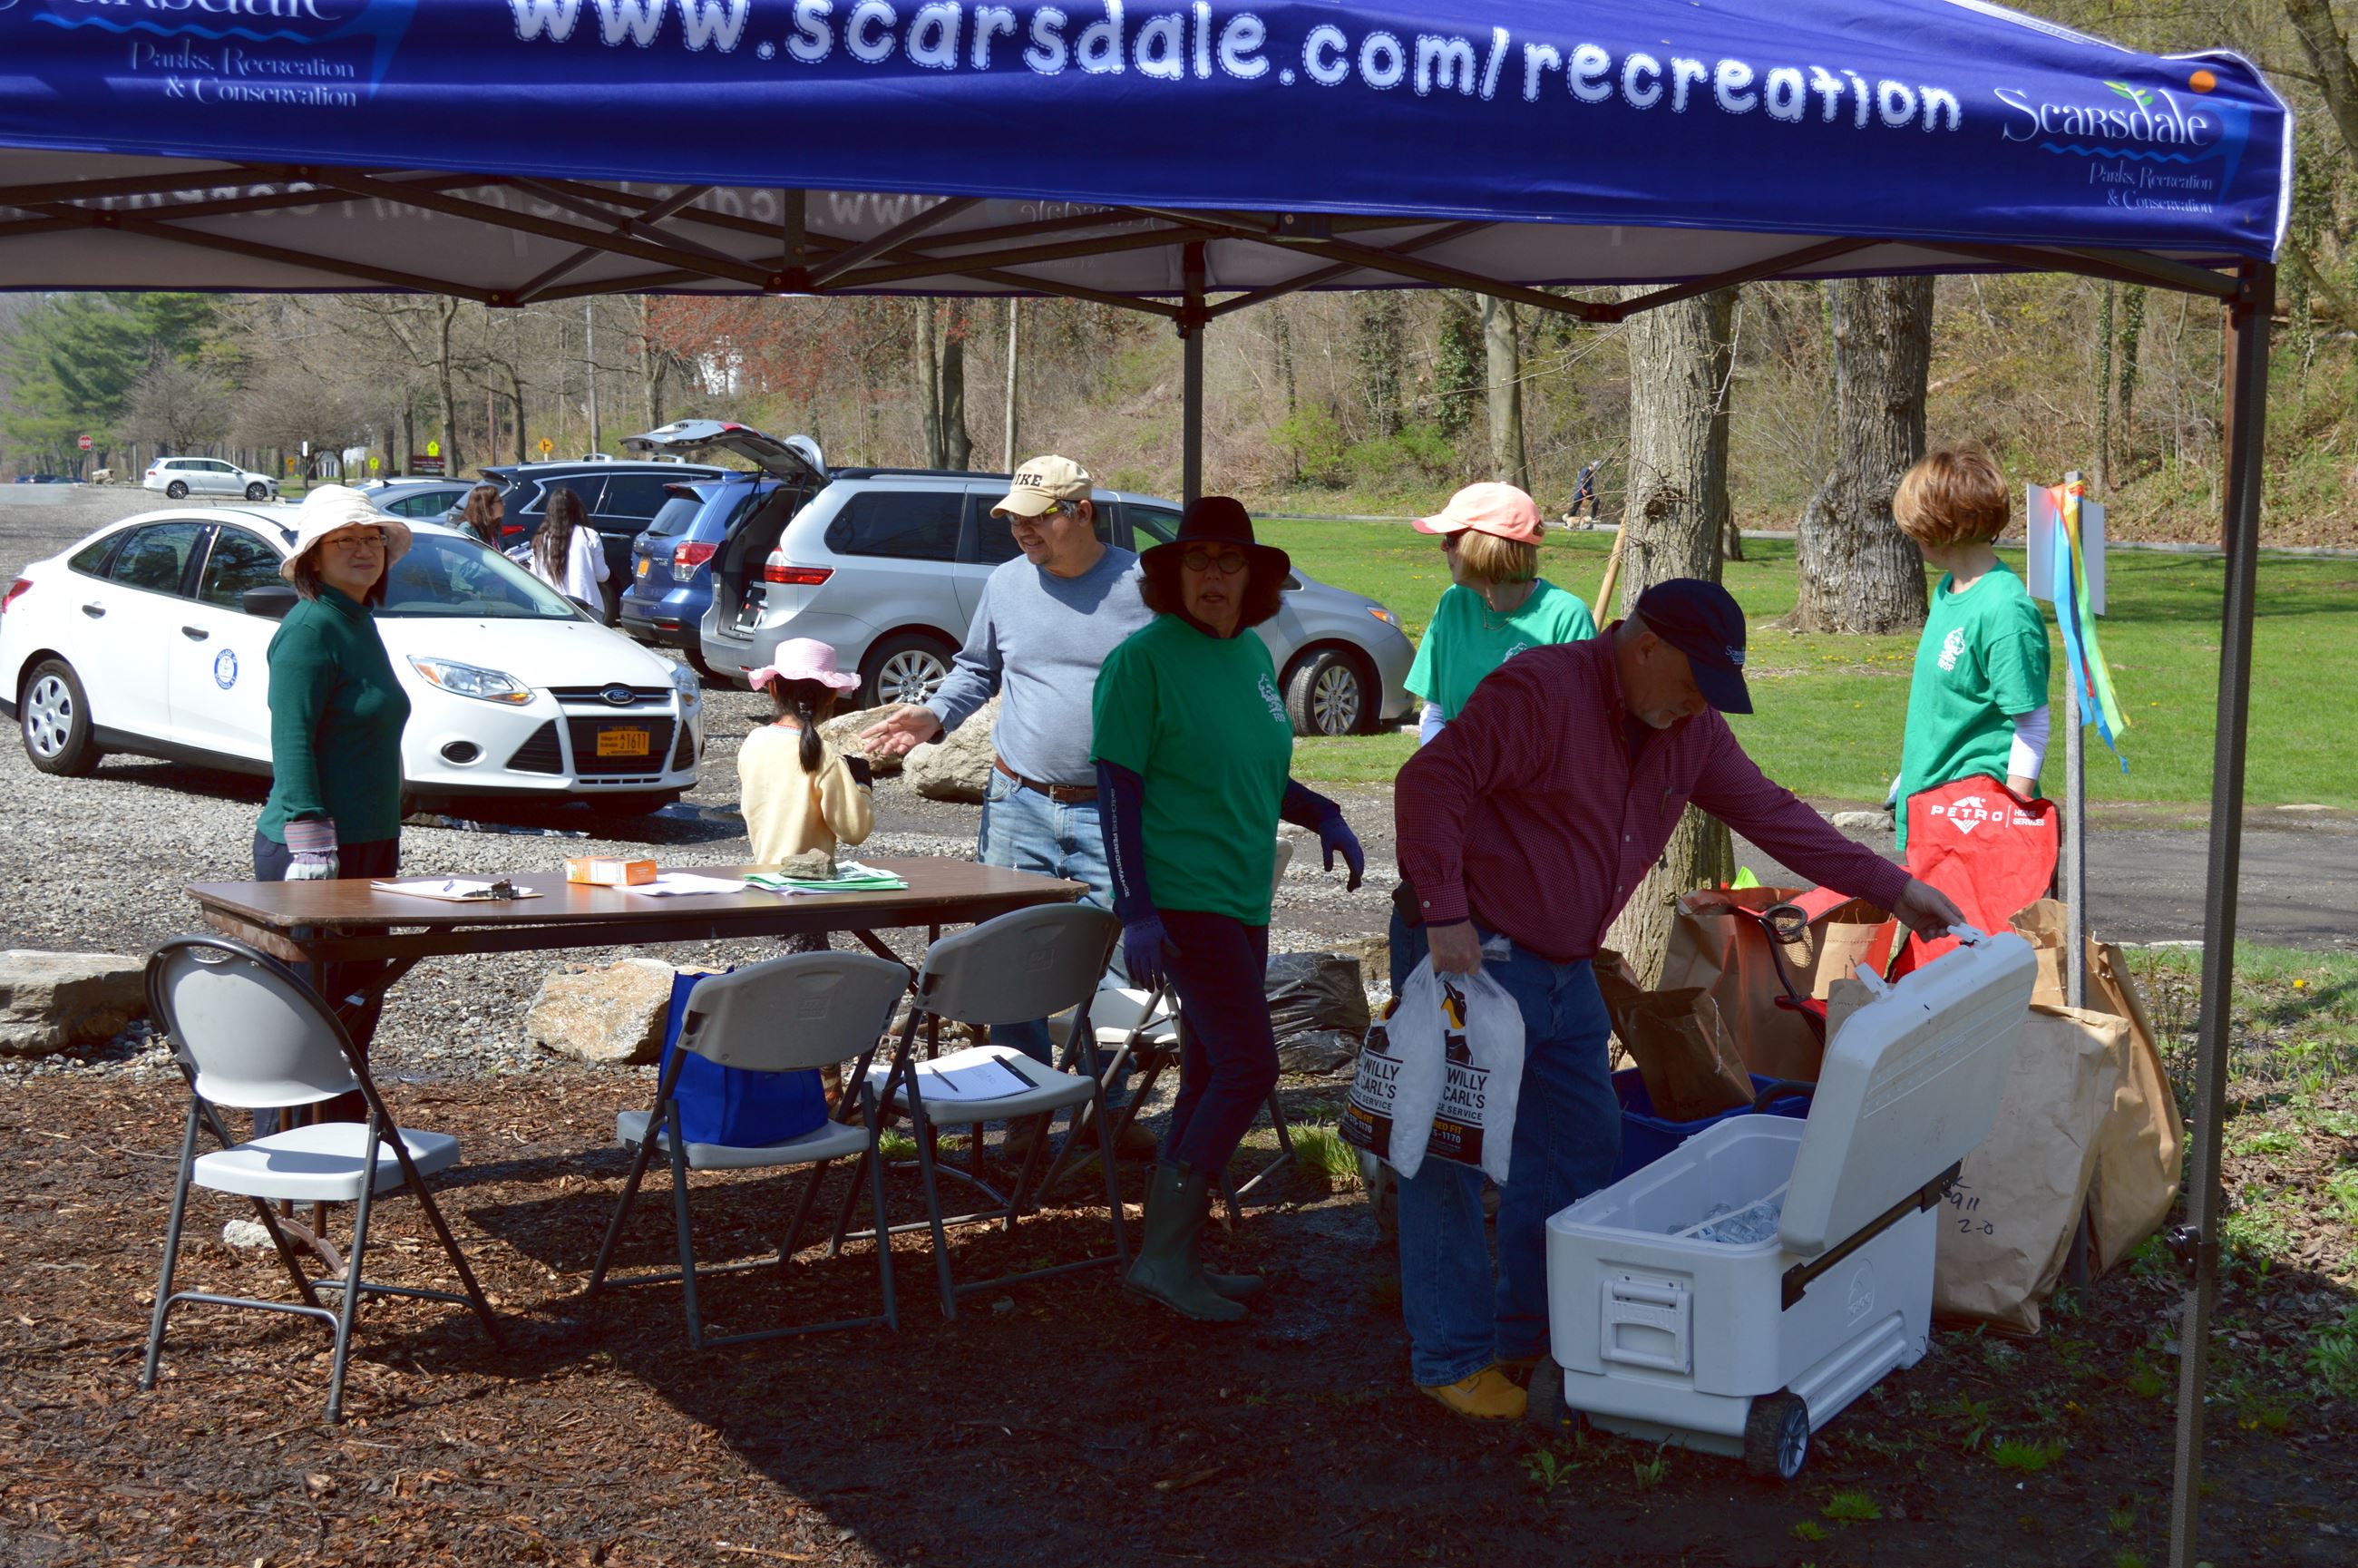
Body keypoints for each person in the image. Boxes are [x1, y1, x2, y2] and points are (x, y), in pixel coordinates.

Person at [1392, 578, 1965, 1419]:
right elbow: (1429, 784)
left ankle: (1537, 1335)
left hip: (1560, 963)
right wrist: (1444, 912)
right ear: (1645, 643)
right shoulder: (1542, 691)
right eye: (1692, 681)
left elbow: (1774, 813)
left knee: (1576, 1144)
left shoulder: (1688, 729)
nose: (1699, 705)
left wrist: (1893, 884)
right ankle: (1450, 1356)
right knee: (1450, 1151)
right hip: (1472, 952)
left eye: (1714, 692)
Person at [1092, 496, 1367, 1322]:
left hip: (1242, 896)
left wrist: (1319, 811)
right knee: (1251, 1065)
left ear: (1255, 579)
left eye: (1230, 561)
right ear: (1173, 575)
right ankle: (1162, 1255)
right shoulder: (1142, 662)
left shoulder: (1249, 652)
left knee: (1213, 1070)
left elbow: (1255, 768)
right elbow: (1117, 789)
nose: (1214, 574)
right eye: (1198, 559)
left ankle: (1178, 1256)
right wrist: (1137, 909)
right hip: (1182, 900)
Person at [862, 454, 1158, 1158]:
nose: (1021, 531)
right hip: (1018, 798)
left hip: (1111, 811)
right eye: (1013, 520)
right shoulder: (1005, 584)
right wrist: (931, 718)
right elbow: (976, 668)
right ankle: (1024, 1115)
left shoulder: (1143, 587)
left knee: (1108, 963)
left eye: (1036, 518)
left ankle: (1101, 1119)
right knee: (1010, 958)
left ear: (1081, 512)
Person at [1393, 482, 1595, 990]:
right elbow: (1436, 708)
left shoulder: (1565, 616)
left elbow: (1576, 737)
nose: (1443, 549)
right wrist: (1445, 780)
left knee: (1510, 966)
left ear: (1484, 545)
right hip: (1457, 804)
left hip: (1527, 819)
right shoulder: (1452, 605)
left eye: (1451, 539)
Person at [254, 484, 414, 1122]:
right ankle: (282, 1157)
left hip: (371, 842)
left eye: (371, 538)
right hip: (313, 849)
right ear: (312, 559)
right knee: (304, 1010)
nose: (362, 549)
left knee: (357, 999)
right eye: (343, 540)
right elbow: (290, 735)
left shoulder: (356, 621)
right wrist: (309, 835)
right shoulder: (309, 627)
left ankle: (342, 1142)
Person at [1889, 446, 2051, 851]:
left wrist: (2010, 816)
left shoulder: (2005, 611)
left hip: (1975, 824)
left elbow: (2032, 725)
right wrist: (1910, 775)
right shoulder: (1949, 588)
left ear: (1939, 526)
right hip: (1930, 805)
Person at [525, 486, 608, 615]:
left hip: (550, 606)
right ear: (577, 509)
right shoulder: (589, 535)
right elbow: (602, 575)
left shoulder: (541, 539)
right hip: (586, 605)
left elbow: (535, 576)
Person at [457, 482, 506, 550]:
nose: (504, 504)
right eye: (500, 501)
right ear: (486, 505)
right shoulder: (466, 530)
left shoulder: (493, 527)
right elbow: (463, 558)